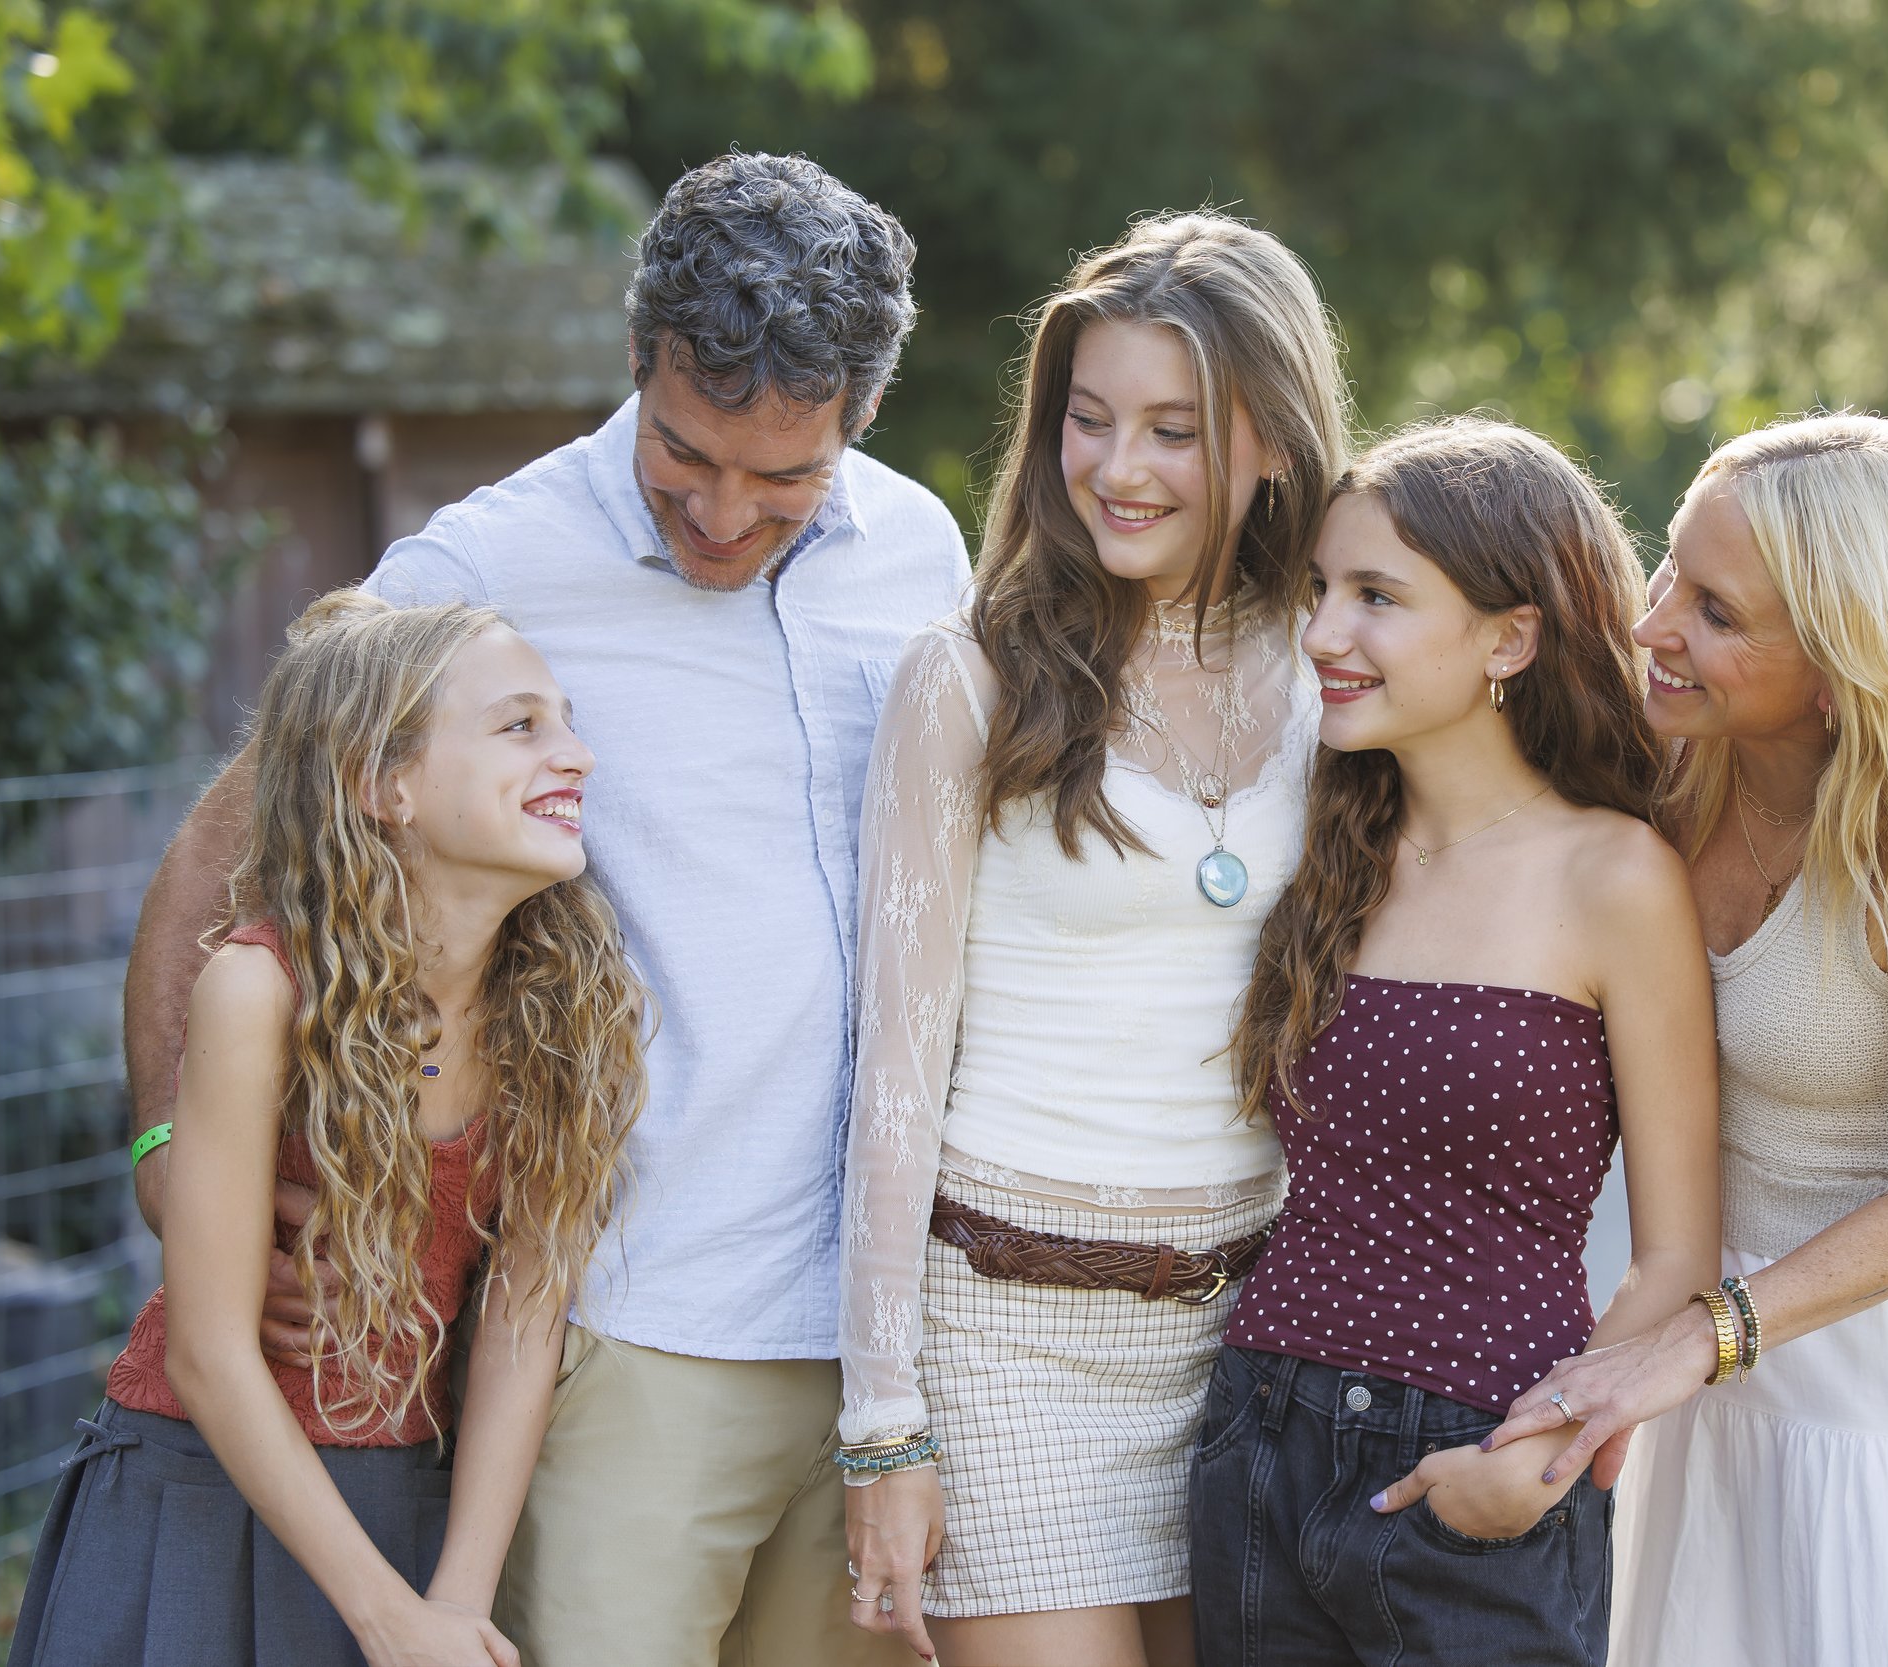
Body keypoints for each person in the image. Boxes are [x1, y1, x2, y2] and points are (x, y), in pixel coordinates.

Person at [119, 153, 969, 1667]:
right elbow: (219, 846)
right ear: (637, 359)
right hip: (625, 1327)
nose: (721, 514)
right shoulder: (482, 566)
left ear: (859, 419)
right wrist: (173, 1164)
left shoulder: (921, 554)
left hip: (885, 1341)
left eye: (783, 481)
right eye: (683, 456)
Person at [1466, 412, 1888, 1664]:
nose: (1655, 626)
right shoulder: (1669, 766)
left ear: (1836, 658)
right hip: (1722, 1356)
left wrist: (1694, 1337)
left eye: (1716, 610)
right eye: (1669, 570)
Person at [835, 212, 1352, 1667]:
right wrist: (883, 1426)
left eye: (1173, 429)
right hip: (1007, 1344)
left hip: (1251, 1347)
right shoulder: (973, 676)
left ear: (1268, 438)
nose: (1119, 469)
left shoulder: (1332, 664)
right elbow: (894, 1063)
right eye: (1091, 418)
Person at [11, 593, 645, 1667]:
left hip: (406, 1502)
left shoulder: (569, 1002)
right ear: (383, 783)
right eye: (521, 724)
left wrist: (452, 1600)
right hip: (199, 1487)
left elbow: (525, 1317)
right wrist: (382, 1614)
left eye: (567, 721)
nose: (577, 753)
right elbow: (209, 1351)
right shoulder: (257, 989)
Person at [1190, 417, 1721, 1665]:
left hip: (1474, 1471)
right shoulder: (1326, 851)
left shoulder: (1616, 874)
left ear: (1510, 636)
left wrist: (1535, 1455)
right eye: (1322, 590)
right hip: (1258, 1439)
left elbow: (1676, 1255)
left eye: (1377, 596)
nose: (1324, 631)